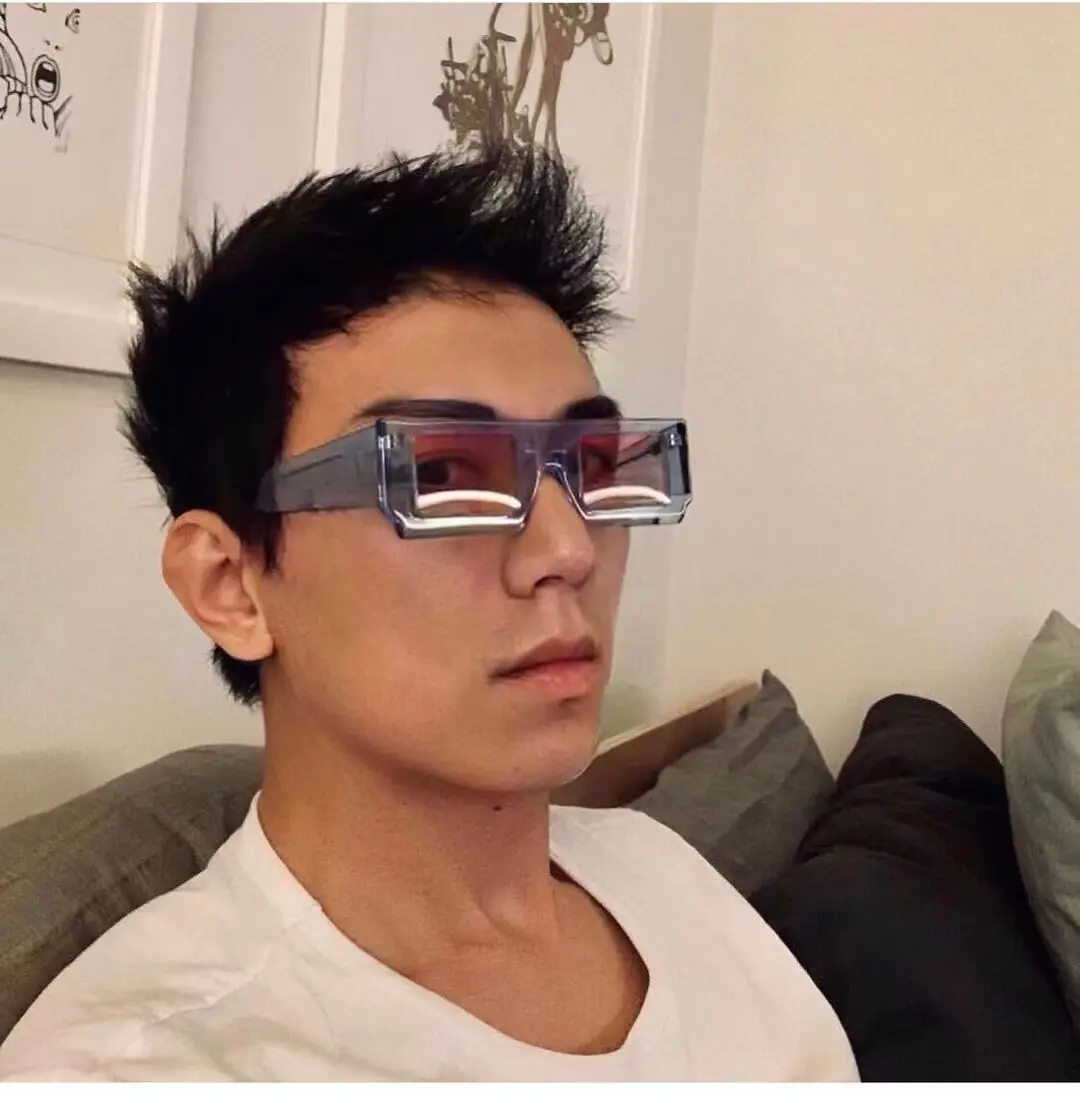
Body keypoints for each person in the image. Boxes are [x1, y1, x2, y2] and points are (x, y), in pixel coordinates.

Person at [0, 146, 857, 1081]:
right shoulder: (141, 1066)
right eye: (442, 475)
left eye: (593, 464)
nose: (568, 548)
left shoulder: (667, 874)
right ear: (230, 586)